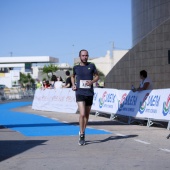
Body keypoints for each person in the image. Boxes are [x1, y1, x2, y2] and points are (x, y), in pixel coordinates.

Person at [71, 49, 99, 146]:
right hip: (79, 92)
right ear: (80, 57)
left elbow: (97, 77)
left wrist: (91, 82)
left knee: (87, 116)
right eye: (83, 55)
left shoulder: (91, 66)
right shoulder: (76, 67)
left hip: (89, 93)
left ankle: (83, 131)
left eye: (86, 55)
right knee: (82, 114)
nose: (85, 57)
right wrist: (73, 84)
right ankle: (82, 135)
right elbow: (72, 76)